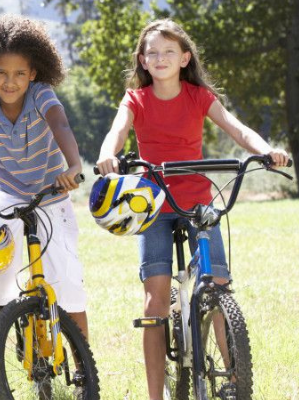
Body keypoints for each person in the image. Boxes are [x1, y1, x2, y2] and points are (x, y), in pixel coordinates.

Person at [95, 19, 289, 400]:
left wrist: (264, 150)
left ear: (185, 58)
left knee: (217, 287)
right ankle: (155, 395)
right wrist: (107, 154)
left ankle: (235, 380)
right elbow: (118, 131)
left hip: (197, 201)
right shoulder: (136, 99)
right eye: (153, 52)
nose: (161, 57)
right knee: (154, 300)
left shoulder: (199, 96)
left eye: (169, 51)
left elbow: (237, 128)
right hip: (151, 203)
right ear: (143, 61)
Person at [0, 14, 89, 399]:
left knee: (69, 287)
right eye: (1, 73)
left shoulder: (42, 95)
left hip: (51, 194)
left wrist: (74, 166)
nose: (9, 82)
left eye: (19, 73)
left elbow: (61, 127)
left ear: (33, 73)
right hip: (8, 195)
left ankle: (82, 375)